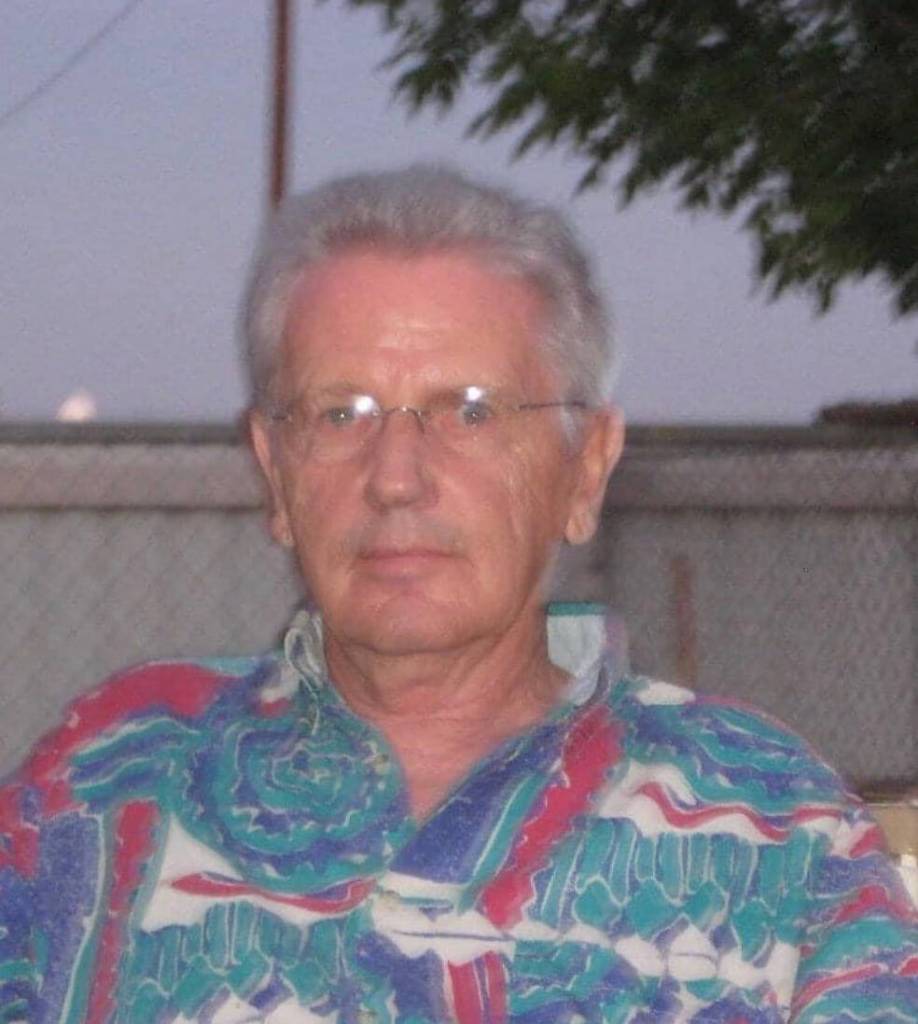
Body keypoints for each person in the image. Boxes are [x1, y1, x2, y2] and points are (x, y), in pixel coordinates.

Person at [1, 165, 915, 1024]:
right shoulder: (110, 779)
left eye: (471, 411)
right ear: (274, 472)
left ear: (585, 469)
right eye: (340, 413)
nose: (396, 477)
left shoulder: (774, 826)